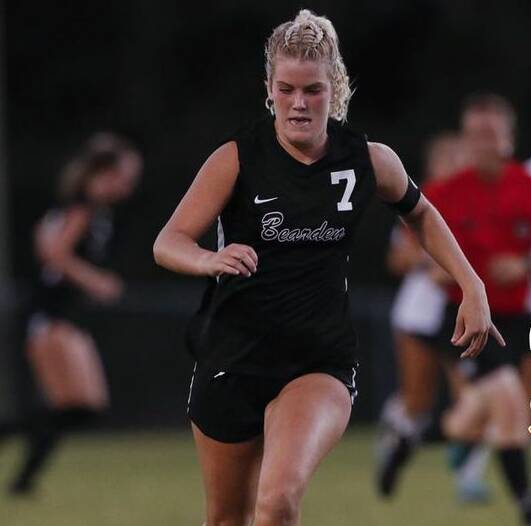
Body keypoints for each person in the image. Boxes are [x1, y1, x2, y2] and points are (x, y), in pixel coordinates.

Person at [153, 10, 503, 526]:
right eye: (287, 88)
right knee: (228, 518)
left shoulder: (368, 159)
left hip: (317, 362)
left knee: (276, 503)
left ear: (333, 86)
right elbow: (168, 241)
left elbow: (421, 213)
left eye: (313, 89)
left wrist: (472, 284)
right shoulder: (237, 158)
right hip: (233, 358)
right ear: (269, 89)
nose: (299, 103)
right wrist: (208, 259)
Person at [379, 93, 531, 525]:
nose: (484, 143)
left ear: (508, 137)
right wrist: (437, 267)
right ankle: (524, 502)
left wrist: (522, 263)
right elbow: (405, 253)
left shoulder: (525, 187)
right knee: (509, 401)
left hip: (519, 319)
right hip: (469, 316)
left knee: (480, 419)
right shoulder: (444, 192)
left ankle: (412, 439)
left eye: (491, 133)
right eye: (475, 135)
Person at [0, 133, 142, 494]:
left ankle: (22, 480)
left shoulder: (93, 212)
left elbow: (48, 240)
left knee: (81, 407)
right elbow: (54, 253)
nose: (128, 186)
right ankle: (23, 480)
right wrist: (97, 282)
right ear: (103, 173)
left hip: (67, 316)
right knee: (75, 405)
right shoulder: (80, 208)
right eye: (124, 177)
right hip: (50, 315)